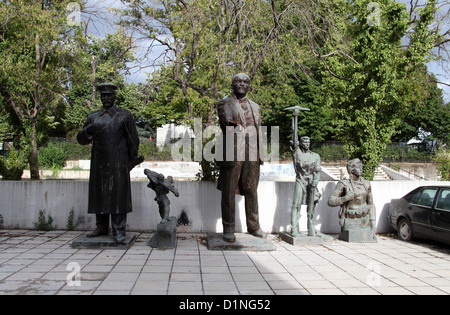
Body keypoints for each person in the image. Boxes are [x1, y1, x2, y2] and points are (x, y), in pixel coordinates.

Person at [77, 83, 143, 243]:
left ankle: (119, 229)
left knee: (118, 195)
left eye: (109, 95)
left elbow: (133, 140)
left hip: (118, 162)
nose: (106, 98)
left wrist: (130, 161)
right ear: (100, 97)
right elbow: (81, 139)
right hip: (99, 162)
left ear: (114, 97)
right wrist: (89, 130)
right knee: (99, 193)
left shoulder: (123, 115)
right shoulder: (94, 117)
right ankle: (101, 226)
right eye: (103, 95)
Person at [216, 73, 267, 243]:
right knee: (229, 191)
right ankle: (228, 228)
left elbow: (259, 129)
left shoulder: (255, 106)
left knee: (252, 190)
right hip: (233, 151)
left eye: (245, 82)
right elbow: (226, 121)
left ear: (249, 85)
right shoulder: (225, 103)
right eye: (238, 81)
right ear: (233, 84)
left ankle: (254, 226)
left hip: (253, 153)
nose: (242, 84)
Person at [327, 158, 377, 241]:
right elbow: (330, 201)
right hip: (350, 219)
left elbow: (371, 204)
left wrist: (373, 224)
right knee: (352, 234)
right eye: (358, 167)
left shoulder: (366, 184)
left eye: (362, 167)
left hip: (365, 219)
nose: (361, 169)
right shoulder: (344, 184)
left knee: (366, 236)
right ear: (352, 170)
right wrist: (345, 198)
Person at [290, 136, 321, 237]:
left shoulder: (315, 156)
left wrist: (316, 181)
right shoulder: (297, 153)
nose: (307, 144)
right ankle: (294, 227)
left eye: (309, 142)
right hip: (300, 180)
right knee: (296, 205)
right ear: (301, 143)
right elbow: (294, 141)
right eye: (305, 142)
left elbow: (317, 171)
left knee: (311, 206)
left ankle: (311, 225)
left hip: (311, 182)